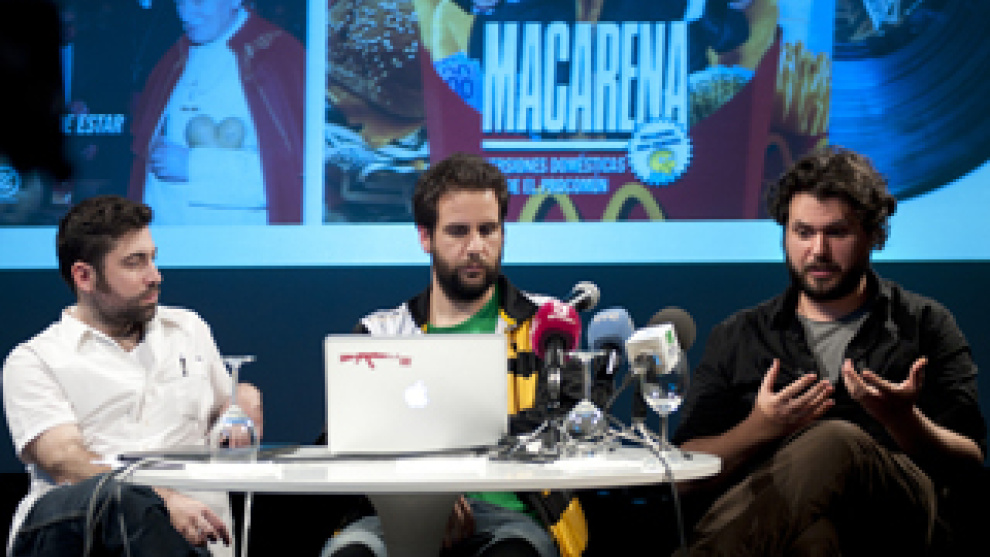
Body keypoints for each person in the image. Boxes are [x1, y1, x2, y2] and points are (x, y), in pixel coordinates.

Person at [670, 147, 987, 555]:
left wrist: (904, 420)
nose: (818, 251)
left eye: (836, 233)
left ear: (873, 235)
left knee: (835, 440)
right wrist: (759, 428)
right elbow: (684, 470)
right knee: (815, 541)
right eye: (803, 233)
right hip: (789, 529)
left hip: (897, 520)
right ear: (785, 235)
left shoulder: (925, 324)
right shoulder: (740, 335)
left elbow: (969, 458)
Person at [320, 152, 587, 557]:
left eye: (488, 230)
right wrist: (428, 495)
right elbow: (344, 443)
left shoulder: (547, 324)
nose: (476, 246)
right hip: (394, 514)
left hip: (517, 518)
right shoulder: (379, 335)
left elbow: (570, 426)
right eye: (458, 232)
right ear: (425, 237)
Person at [2, 195, 263, 557]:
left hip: (197, 541)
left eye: (153, 258)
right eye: (134, 263)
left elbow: (225, 410)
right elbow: (65, 460)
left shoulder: (189, 329)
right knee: (120, 500)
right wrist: (161, 503)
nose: (154, 276)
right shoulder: (35, 359)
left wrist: (243, 399)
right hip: (85, 542)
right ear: (84, 276)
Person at [128, 0, 304, 224]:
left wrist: (194, 167)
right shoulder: (172, 57)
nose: (185, 14)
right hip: (165, 237)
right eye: (179, 1)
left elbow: (288, 178)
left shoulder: (279, 56)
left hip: (234, 240)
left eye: (198, 1)